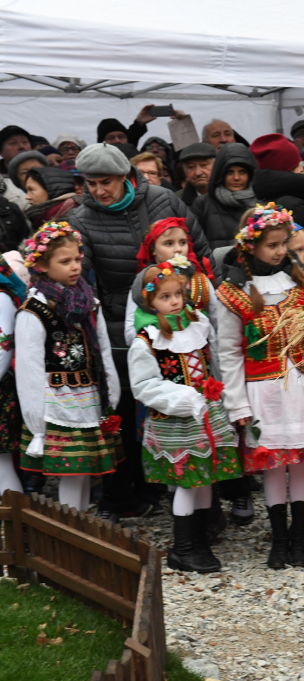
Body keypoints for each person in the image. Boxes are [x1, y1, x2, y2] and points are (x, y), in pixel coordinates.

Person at [68, 142, 214, 524]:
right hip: (122, 325)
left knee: (179, 402)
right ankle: (123, 496)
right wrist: (118, 323)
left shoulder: (163, 200)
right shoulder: (81, 220)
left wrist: (193, 296)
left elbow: (198, 249)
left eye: (106, 182)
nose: (99, 190)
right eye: (91, 183)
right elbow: (85, 282)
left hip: (180, 315)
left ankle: (178, 490)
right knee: (126, 411)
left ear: (126, 177)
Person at [214, 204, 304, 569]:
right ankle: (278, 538)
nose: (281, 251)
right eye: (273, 246)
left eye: (284, 244)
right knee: (273, 466)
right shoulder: (234, 293)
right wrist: (237, 406)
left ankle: (300, 535)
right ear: (250, 247)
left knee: (301, 463)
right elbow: (229, 354)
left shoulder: (301, 282)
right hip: (263, 391)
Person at [128, 262, 241, 573]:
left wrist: (223, 398)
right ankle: (183, 548)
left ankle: (200, 541)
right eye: (165, 297)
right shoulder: (147, 339)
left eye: (178, 294)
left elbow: (214, 362)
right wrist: (183, 398)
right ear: (149, 301)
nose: (175, 301)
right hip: (176, 423)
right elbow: (143, 385)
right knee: (187, 483)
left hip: (207, 416)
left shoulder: (199, 323)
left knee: (205, 480)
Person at [16, 222, 122, 512]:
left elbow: (103, 351)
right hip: (58, 404)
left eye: (77, 259)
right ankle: (72, 532)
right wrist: (37, 423)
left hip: (88, 398)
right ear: (41, 265)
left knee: (86, 470)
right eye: (65, 261)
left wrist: (110, 394)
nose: (75, 267)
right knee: (73, 472)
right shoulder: (34, 311)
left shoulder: (89, 303)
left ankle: (82, 525)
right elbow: (29, 371)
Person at [249, 134, 304, 259]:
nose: (302, 170)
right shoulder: (292, 204)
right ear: (285, 170)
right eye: (297, 165)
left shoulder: (270, 199)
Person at [191, 143, 259, 250]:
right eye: (230, 172)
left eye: (242, 172)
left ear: (250, 175)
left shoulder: (262, 204)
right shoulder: (203, 204)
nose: (236, 178)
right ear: (221, 175)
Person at [0, 253, 23, 498]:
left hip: (0, 390)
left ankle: (17, 524)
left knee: (2, 463)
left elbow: (3, 350)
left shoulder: (1, 299)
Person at [177, 143, 217, 208]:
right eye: (191, 167)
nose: (198, 173)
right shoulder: (177, 202)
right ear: (185, 172)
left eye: (204, 165)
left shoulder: (230, 195)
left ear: (216, 166)